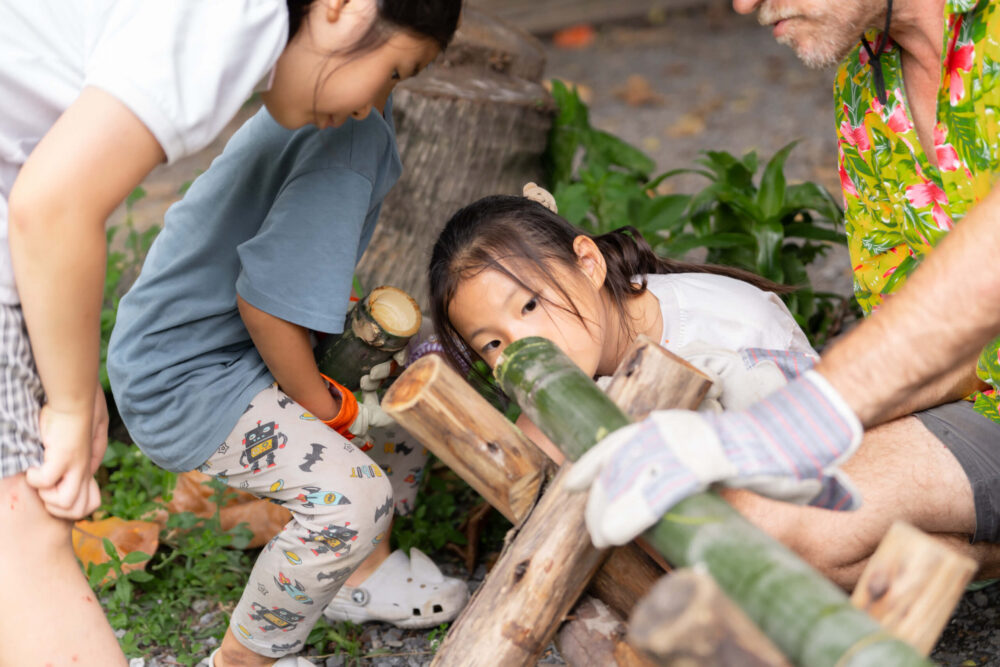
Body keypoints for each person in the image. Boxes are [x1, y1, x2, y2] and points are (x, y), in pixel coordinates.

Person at [0, 0, 459, 664]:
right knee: (355, 497)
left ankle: (361, 572)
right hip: (190, 375)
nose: (374, 102)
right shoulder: (255, 43)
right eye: (395, 71)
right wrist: (327, 410)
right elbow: (265, 306)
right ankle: (247, 655)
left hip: (167, 345)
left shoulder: (274, 63)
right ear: (344, 9)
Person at [536, 0, 1000, 579]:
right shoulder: (865, 83)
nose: (743, 4)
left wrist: (785, 428)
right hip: (988, 401)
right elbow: (932, 335)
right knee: (756, 527)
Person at [428, 191, 1000, 588]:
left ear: (588, 263)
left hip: (823, 462)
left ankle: (955, 560)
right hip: (748, 492)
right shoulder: (592, 341)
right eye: (493, 344)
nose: (523, 342)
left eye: (529, 305)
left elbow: (801, 452)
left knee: (758, 548)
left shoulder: (719, 339)